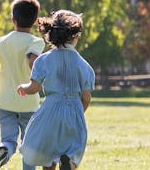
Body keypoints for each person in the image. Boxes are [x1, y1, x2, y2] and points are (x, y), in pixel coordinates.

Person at [17, 10, 95, 170]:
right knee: (72, 152)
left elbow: (33, 88)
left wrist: (23, 87)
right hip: (74, 112)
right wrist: (78, 112)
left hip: (50, 111)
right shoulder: (84, 66)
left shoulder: (43, 60)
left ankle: (56, 163)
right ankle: (68, 162)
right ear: (76, 36)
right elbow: (86, 98)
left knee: (48, 157)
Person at [0, 0, 45, 170]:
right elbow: (33, 61)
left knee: (9, 139)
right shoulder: (36, 42)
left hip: (5, 101)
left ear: (13, 20)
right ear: (34, 21)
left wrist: (1, 67)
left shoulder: (3, 41)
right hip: (28, 102)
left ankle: (4, 150)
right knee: (29, 143)